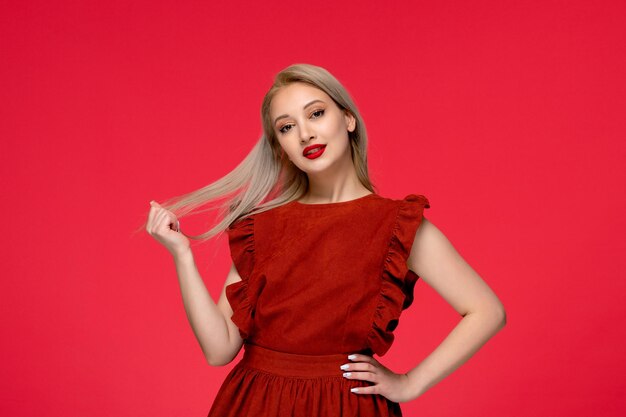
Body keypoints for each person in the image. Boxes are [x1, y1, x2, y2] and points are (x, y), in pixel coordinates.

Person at [145, 63, 506, 416]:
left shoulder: (397, 225)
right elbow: (219, 350)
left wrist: (411, 382)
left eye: (315, 114)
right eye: (287, 127)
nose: (304, 134)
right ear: (279, 147)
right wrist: (183, 257)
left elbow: (487, 311)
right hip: (258, 403)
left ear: (348, 119)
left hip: (348, 405)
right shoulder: (260, 228)